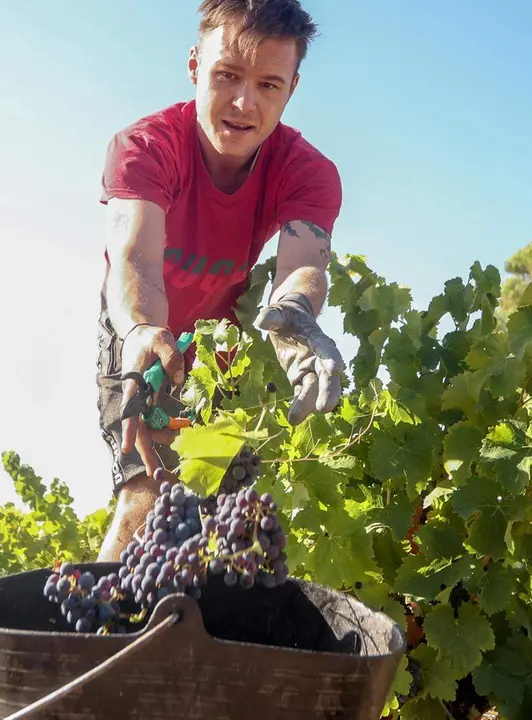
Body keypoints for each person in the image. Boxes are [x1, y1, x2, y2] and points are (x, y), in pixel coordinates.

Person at [94, 0, 345, 561]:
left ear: (293, 88)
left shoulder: (308, 173)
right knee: (148, 487)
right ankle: (96, 636)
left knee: (226, 508)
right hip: (139, 333)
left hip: (224, 344)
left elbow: (303, 264)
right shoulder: (144, 147)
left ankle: (192, 636)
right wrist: (140, 332)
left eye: (268, 84)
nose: (243, 102)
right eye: (226, 75)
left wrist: (296, 316)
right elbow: (134, 258)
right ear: (193, 64)